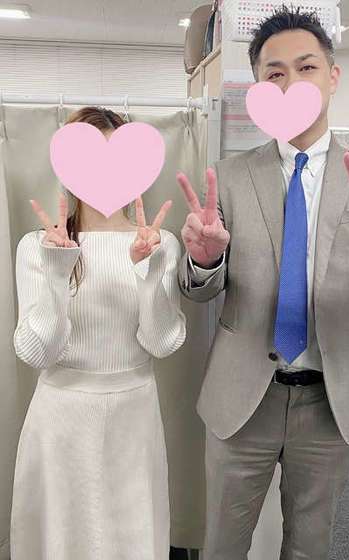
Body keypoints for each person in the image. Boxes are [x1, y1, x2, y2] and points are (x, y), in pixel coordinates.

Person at [177, 6, 349, 560]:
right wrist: (205, 262)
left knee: (311, 546)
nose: (291, 82)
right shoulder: (230, 178)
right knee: (221, 545)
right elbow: (197, 292)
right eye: (275, 73)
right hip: (243, 394)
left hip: (332, 398)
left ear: (333, 76)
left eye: (306, 67)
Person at [11, 106, 186, 560]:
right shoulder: (38, 246)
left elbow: (162, 342)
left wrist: (150, 272)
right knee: (62, 538)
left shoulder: (160, 243)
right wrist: (56, 272)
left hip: (134, 413)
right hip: (61, 416)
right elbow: (36, 352)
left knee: (131, 537)